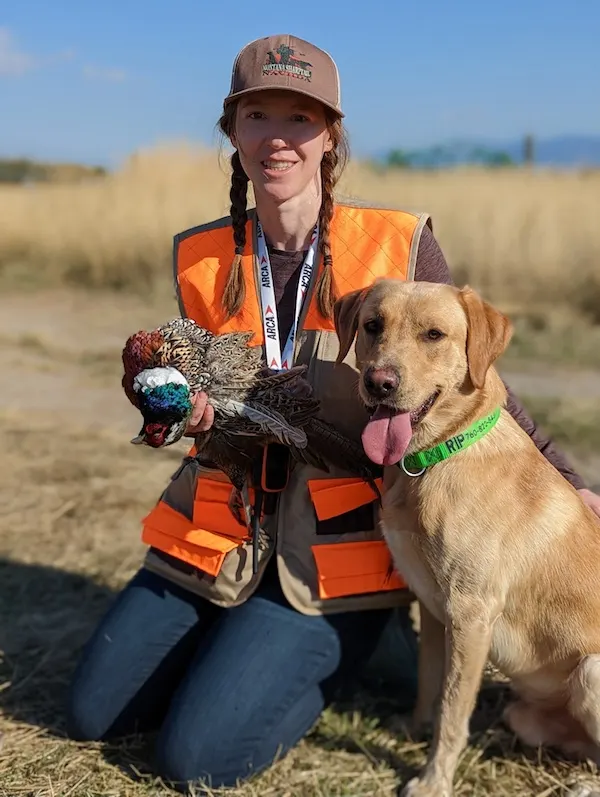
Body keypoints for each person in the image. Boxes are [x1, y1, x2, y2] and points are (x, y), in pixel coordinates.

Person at [65, 33, 600, 793]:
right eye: (257, 116)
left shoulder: (397, 246)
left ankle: (342, 644)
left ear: (330, 137)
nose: (277, 136)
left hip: (332, 561)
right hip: (221, 536)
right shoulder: (202, 255)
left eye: (300, 118)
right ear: (233, 132)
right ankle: (236, 638)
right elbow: (188, 375)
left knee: (196, 760)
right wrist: (184, 408)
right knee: (92, 716)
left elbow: (478, 378)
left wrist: (567, 477)